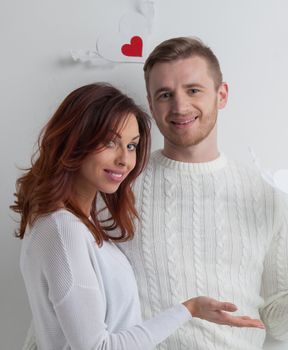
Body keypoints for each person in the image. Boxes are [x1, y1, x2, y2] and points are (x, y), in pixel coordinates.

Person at [12, 83, 264, 350]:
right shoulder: (63, 229)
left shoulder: (76, 225)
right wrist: (186, 310)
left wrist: (190, 309)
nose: (124, 159)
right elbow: (98, 347)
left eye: (131, 145)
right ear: (75, 141)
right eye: (110, 142)